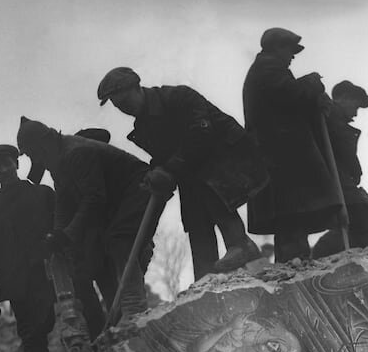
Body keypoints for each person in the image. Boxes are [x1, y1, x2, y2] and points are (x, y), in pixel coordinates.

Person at [97, 67, 268, 278]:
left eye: (125, 102)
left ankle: (239, 244)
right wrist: (156, 173)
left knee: (208, 188)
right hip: (190, 170)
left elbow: (201, 134)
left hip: (226, 158)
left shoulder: (178, 97)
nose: (123, 109)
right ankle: (205, 273)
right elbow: (164, 157)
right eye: (118, 106)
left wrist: (168, 168)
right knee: (194, 215)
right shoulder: (142, 129)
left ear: (136, 88)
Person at [17, 117, 155, 333]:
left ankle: (135, 309)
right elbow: (63, 201)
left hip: (139, 187)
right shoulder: (58, 162)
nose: (34, 159)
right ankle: (125, 313)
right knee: (114, 244)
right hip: (116, 200)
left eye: (32, 153)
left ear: (43, 144)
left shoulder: (76, 152)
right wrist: (58, 234)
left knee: (120, 240)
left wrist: (68, 233)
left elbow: (94, 198)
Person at [242, 28, 341, 263]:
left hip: (280, 161)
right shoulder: (268, 69)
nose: (293, 56)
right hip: (281, 162)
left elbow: (289, 102)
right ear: (276, 48)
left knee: (292, 222)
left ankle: (295, 265)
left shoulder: (270, 70)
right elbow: (291, 96)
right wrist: (312, 84)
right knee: (291, 219)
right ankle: (294, 268)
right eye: (290, 50)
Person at [0, 144, 56, 352]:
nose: (2, 170)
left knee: (70, 324)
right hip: (18, 283)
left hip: (53, 276)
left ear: (16, 164)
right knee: (32, 337)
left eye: (6, 163)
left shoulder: (43, 194)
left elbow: (64, 230)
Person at [312, 80, 368, 258]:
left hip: (340, 185)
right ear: (343, 98)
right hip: (337, 185)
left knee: (360, 228)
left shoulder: (332, 119)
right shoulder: (329, 119)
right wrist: (356, 172)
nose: (356, 114)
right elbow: (344, 155)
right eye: (356, 107)